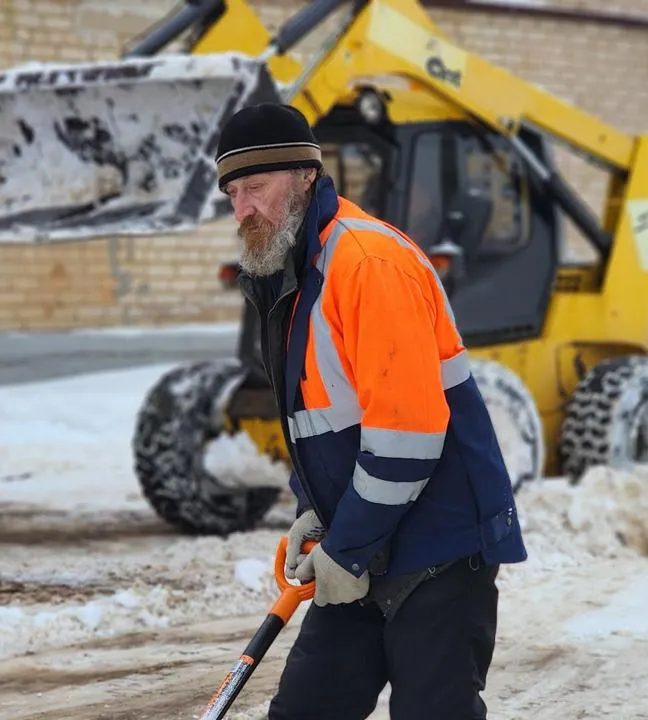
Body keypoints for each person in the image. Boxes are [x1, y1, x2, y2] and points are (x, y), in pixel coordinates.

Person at [214, 102, 528, 719]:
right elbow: (320, 421)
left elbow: (407, 432)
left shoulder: (366, 264)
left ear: (306, 176)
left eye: (257, 187)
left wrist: (348, 547)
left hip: (437, 549)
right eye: (232, 194)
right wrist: (312, 508)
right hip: (360, 546)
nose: (243, 208)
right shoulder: (289, 279)